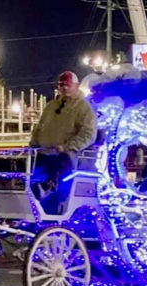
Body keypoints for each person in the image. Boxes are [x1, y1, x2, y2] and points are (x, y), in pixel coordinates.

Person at [29, 71, 96, 205]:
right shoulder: (51, 106)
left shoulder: (84, 108)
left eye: (68, 85)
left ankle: (49, 188)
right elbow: (39, 127)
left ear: (76, 86)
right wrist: (33, 145)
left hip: (66, 155)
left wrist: (67, 147)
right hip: (43, 152)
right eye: (62, 85)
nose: (65, 88)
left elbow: (88, 134)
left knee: (58, 166)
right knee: (25, 168)